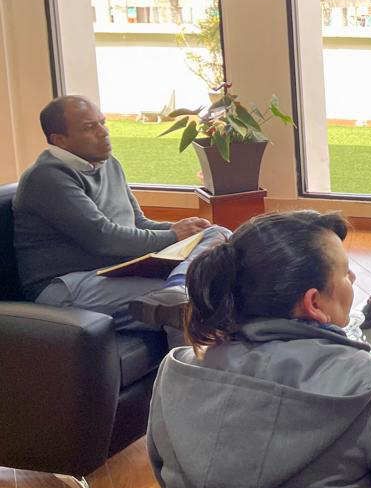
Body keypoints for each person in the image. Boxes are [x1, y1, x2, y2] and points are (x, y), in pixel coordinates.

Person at [147, 210, 371, 488]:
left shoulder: (175, 373)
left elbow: (163, 472)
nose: (353, 278)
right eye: (345, 272)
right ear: (313, 303)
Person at [13, 95, 228, 332]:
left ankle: (178, 284)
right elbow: (103, 238)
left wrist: (185, 229)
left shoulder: (109, 164)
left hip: (111, 272)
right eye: (89, 127)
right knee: (192, 298)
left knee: (217, 233)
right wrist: (174, 235)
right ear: (60, 140)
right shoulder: (47, 177)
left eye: (102, 122)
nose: (103, 132)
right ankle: (179, 294)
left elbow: (138, 223)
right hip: (67, 284)